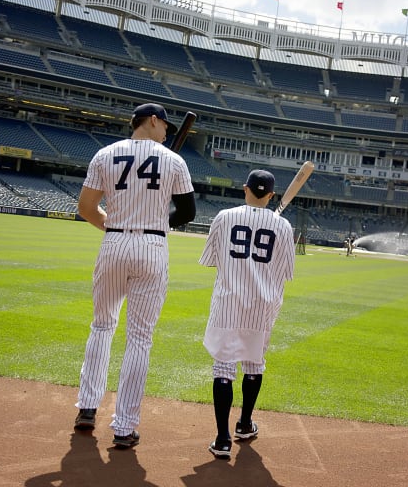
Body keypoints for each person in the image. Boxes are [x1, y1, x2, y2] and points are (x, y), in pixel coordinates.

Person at [73, 102, 195, 449]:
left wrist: (114, 226)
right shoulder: (174, 161)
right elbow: (187, 211)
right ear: (153, 121)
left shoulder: (105, 154)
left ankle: (87, 408)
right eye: (165, 125)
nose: (168, 131)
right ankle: (124, 427)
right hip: (152, 246)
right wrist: (156, 223)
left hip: (113, 241)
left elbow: (86, 208)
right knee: (139, 338)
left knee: (101, 326)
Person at [199, 169, 295, 459]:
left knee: (223, 368)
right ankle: (244, 424)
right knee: (254, 364)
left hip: (229, 300)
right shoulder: (283, 226)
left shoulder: (224, 217)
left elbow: (210, 260)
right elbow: (286, 272)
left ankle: (222, 439)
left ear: (245, 188)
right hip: (263, 303)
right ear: (271, 195)